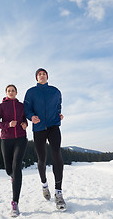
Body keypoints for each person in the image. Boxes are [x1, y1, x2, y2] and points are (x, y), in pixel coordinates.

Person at [24, 68, 66, 211]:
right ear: (36, 78)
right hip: (39, 128)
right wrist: (31, 117)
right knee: (42, 158)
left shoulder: (55, 91)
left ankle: (58, 193)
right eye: (39, 74)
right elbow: (27, 108)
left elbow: (58, 105)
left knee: (57, 155)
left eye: (44, 74)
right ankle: (44, 185)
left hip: (54, 126)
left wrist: (59, 114)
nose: (42, 76)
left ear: (47, 77)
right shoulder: (31, 92)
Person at [0, 84, 28, 217]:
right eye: (9, 91)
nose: (11, 92)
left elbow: (24, 119)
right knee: (9, 170)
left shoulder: (21, 106)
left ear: (16, 92)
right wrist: (7, 125)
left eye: (13, 90)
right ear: (6, 93)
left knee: (16, 166)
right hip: (6, 139)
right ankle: (13, 177)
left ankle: (15, 203)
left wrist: (25, 124)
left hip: (20, 138)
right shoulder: (1, 106)